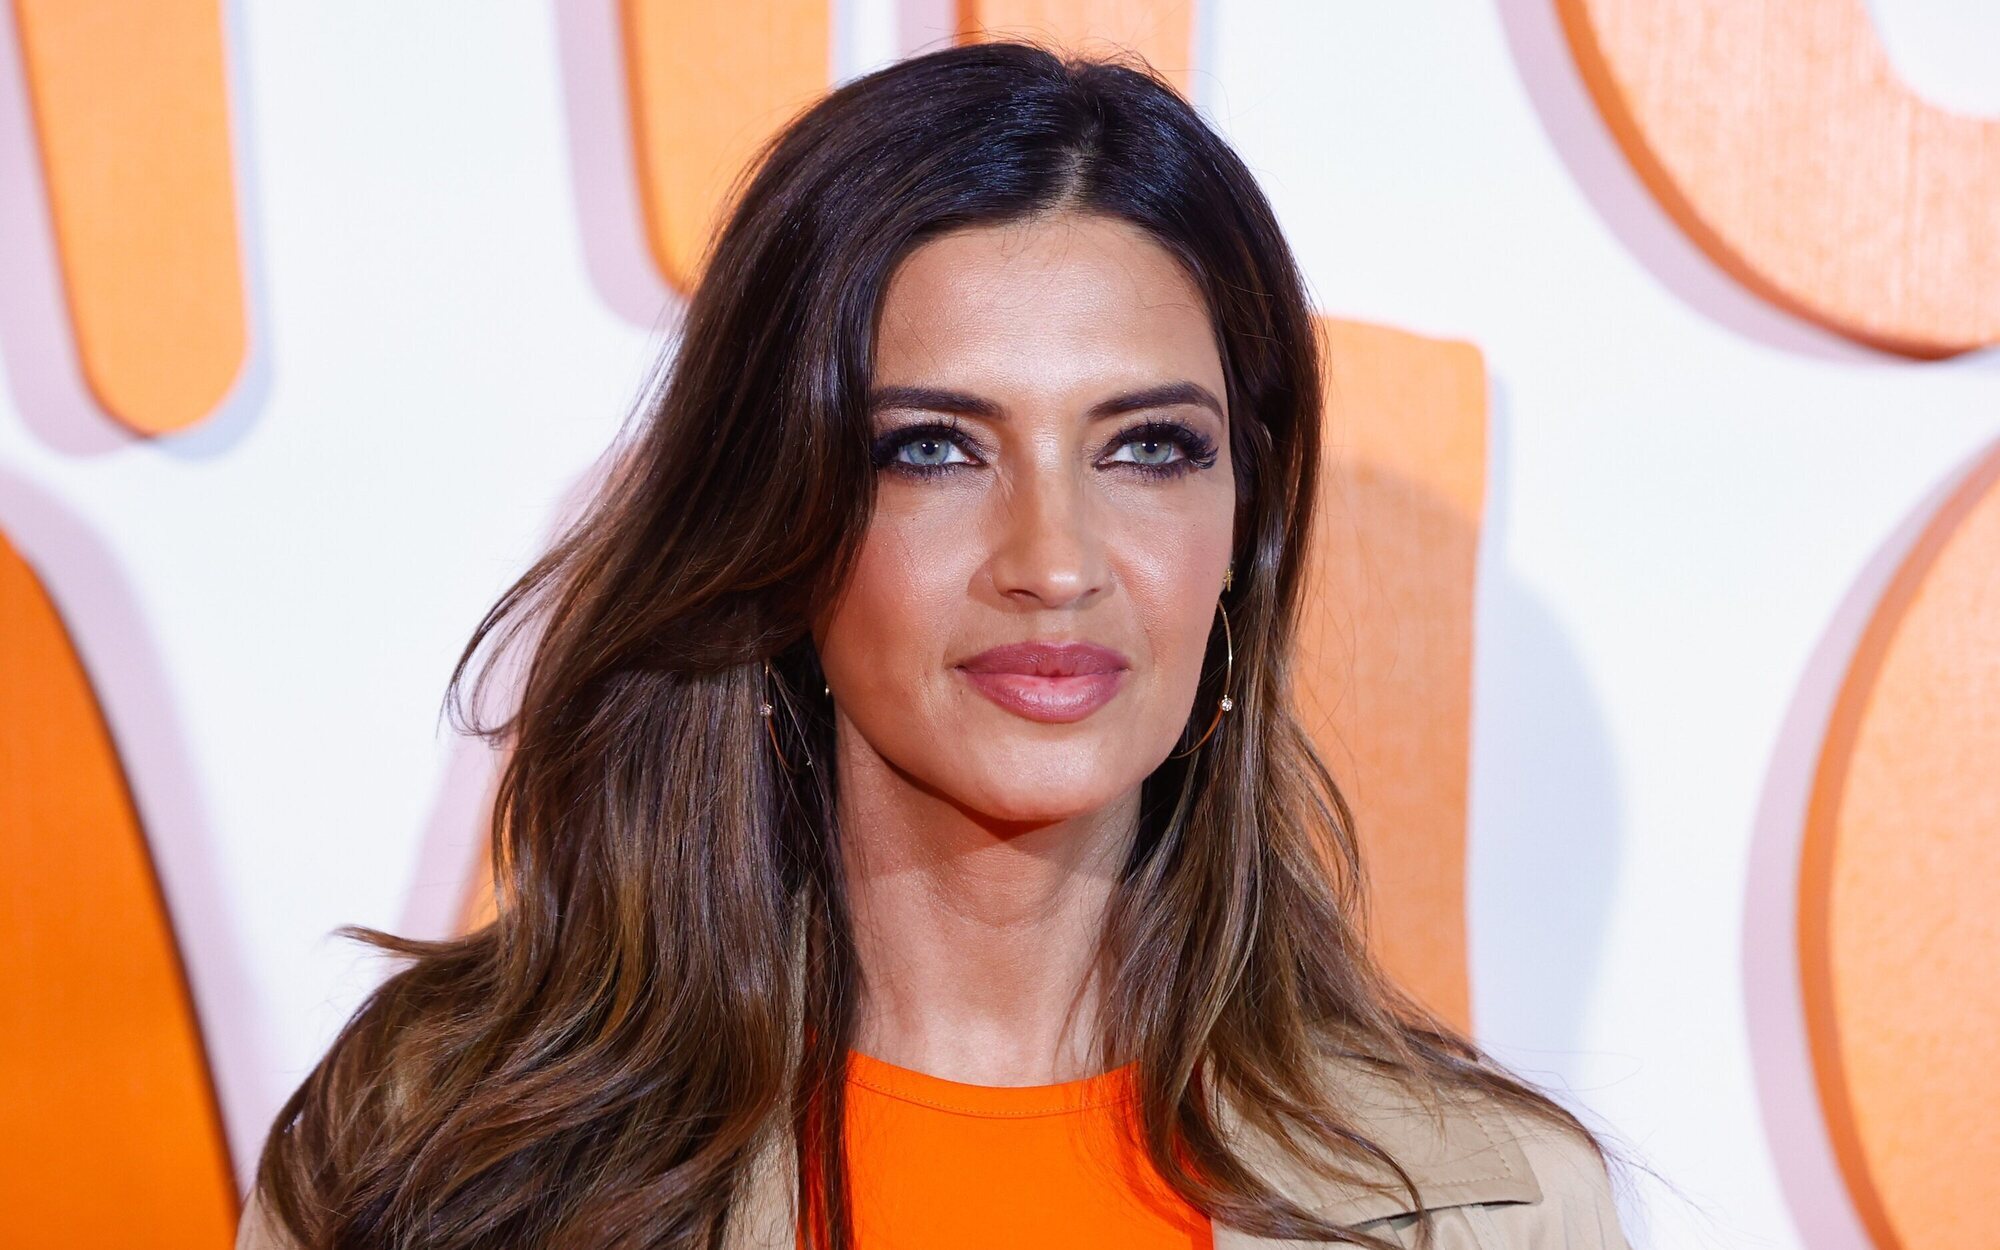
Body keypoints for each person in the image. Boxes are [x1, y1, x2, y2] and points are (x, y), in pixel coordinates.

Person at [238, 38, 1635, 1250]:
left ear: (1244, 525)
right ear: (776, 514)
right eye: (931, 449)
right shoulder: (444, 1150)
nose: (1055, 562)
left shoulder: (1493, 1207)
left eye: (1150, 447)